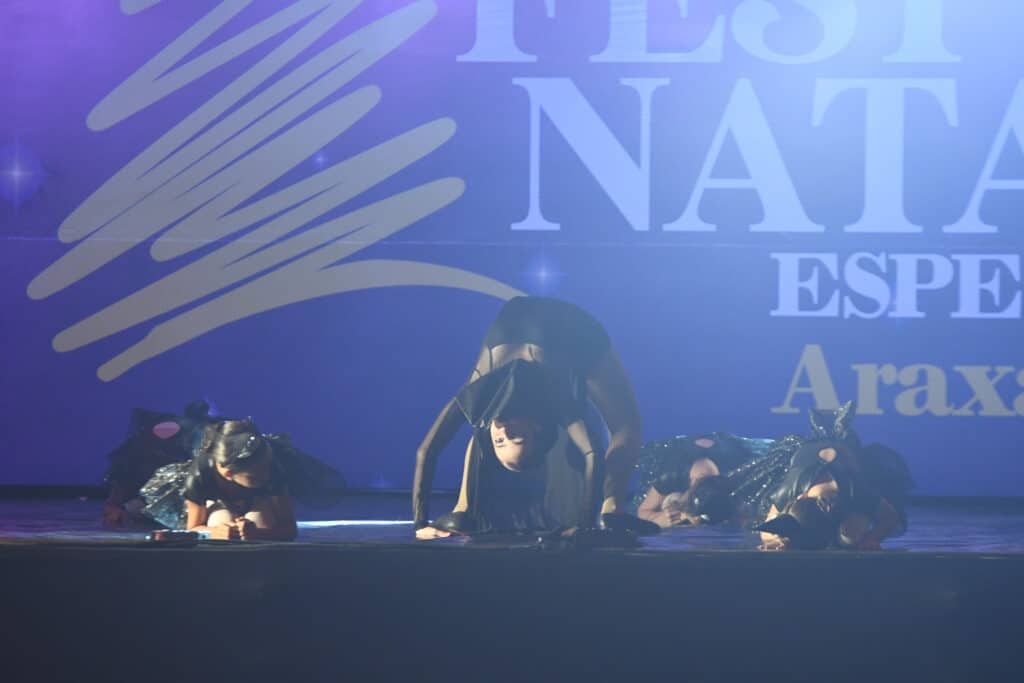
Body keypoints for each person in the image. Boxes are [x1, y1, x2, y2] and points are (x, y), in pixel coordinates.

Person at [412, 296, 644, 539]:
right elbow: (592, 453)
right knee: (627, 424)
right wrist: (586, 526)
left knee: (480, 423)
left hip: (519, 316)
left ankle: (464, 506)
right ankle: (612, 507)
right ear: (536, 428)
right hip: (578, 329)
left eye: (499, 441)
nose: (504, 432)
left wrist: (420, 525)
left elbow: (426, 450)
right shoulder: (556, 398)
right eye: (516, 437)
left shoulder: (479, 393)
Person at [739, 402, 913, 551]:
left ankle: (844, 535)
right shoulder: (789, 489)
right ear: (801, 497)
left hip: (847, 457)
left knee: (850, 537)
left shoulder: (856, 491)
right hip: (809, 458)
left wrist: (871, 539)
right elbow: (767, 530)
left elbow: (890, 517)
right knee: (793, 537)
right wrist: (777, 541)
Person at [138, 418, 346, 540]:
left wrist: (259, 534)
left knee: (260, 522)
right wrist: (216, 532)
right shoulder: (202, 473)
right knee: (222, 522)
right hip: (218, 504)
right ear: (229, 474)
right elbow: (193, 528)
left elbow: (289, 529)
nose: (265, 478)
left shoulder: (272, 470)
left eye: (266, 472)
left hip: (259, 503)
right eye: (255, 477)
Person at [102, 400, 215, 526]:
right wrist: (114, 505)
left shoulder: (196, 435)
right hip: (159, 494)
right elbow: (129, 463)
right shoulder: (163, 434)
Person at [632, 432, 773, 528]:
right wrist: (659, 519)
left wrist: (744, 517)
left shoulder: (740, 476)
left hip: (733, 446)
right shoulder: (669, 473)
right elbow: (642, 512)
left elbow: (756, 517)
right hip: (675, 450)